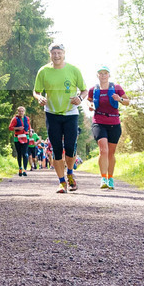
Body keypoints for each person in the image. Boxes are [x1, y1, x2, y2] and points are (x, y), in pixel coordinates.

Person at [33, 44, 86, 193]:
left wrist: (80, 98)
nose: (56, 56)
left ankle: (70, 173)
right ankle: (62, 182)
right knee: (56, 149)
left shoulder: (74, 70)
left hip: (71, 113)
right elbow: (36, 91)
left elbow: (84, 90)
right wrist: (39, 97)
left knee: (70, 147)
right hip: (52, 113)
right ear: (50, 54)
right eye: (54, 53)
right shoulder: (43, 71)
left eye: (59, 53)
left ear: (64, 53)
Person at [87, 66, 129, 190]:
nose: (103, 75)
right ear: (97, 75)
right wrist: (90, 105)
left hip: (114, 122)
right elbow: (89, 100)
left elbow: (127, 101)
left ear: (109, 75)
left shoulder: (117, 88)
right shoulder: (93, 89)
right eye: (101, 73)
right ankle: (103, 178)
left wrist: (119, 99)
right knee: (103, 150)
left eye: (105, 73)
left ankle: (110, 178)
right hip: (99, 122)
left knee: (111, 152)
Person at [9, 106, 31, 176]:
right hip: (17, 137)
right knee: (19, 153)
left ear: (24, 112)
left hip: (25, 137)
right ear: (17, 112)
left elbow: (29, 127)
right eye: (20, 111)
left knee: (25, 153)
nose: (21, 112)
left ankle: (25, 169)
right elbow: (10, 128)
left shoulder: (27, 118)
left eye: (22, 111)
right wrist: (18, 128)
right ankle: (20, 168)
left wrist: (30, 132)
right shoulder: (15, 119)